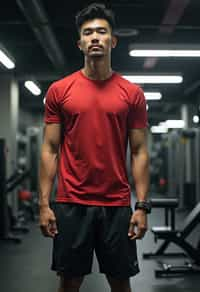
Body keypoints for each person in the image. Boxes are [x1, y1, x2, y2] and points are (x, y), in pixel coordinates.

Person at [39, 3, 150, 292]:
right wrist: (43, 204)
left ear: (113, 41)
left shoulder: (132, 93)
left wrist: (142, 206)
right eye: (88, 33)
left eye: (102, 31)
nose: (95, 37)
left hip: (116, 204)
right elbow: (50, 148)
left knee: (120, 281)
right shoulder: (60, 90)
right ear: (80, 44)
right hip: (71, 203)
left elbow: (139, 151)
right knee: (70, 281)